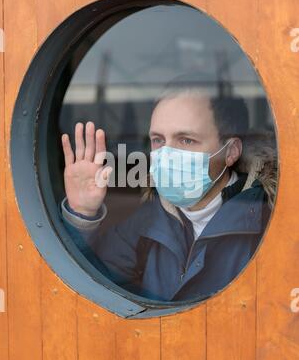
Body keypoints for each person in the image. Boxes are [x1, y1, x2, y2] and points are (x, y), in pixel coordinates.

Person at [59, 79, 277, 302]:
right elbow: (89, 288)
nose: (167, 154)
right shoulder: (144, 224)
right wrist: (82, 214)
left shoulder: (271, 223)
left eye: (186, 140)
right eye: (158, 140)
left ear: (230, 152)